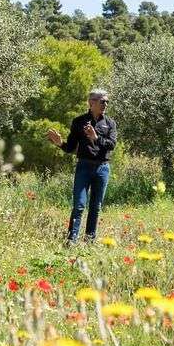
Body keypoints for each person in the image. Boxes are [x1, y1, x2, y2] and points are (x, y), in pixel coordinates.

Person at [46, 89, 117, 244]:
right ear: (91, 103)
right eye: (102, 101)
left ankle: (90, 240)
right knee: (79, 205)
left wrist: (96, 138)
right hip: (84, 167)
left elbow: (111, 145)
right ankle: (71, 240)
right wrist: (60, 143)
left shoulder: (110, 123)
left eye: (107, 101)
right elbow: (70, 148)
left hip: (102, 168)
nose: (105, 104)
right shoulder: (78, 121)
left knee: (95, 207)